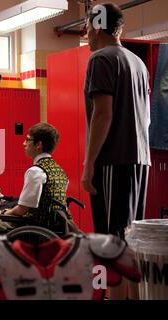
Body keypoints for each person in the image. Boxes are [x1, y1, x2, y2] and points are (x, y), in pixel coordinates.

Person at [81, 3, 151, 299]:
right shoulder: (138, 63)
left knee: (112, 242)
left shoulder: (101, 59)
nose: (85, 33)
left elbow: (103, 114)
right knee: (131, 241)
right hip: (139, 160)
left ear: (98, 24)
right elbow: (146, 118)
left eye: (86, 26)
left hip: (113, 160)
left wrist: (89, 163)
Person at [0, 122, 68, 235]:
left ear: (38, 145)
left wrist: (3, 213)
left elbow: (22, 210)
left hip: (35, 225)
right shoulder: (60, 172)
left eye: (27, 140)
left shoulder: (36, 171)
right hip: (54, 225)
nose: (24, 143)